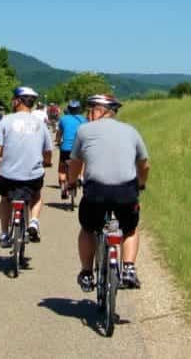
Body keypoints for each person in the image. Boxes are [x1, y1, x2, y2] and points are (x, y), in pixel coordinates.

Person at [65, 93, 150, 290]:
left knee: (87, 228)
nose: (88, 114)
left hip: (96, 192)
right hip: (126, 192)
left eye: (91, 109)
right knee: (130, 228)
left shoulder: (83, 130)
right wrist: (141, 183)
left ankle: (86, 272)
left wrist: (71, 182)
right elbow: (144, 165)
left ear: (101, 111)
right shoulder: (131, 131)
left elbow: (76, 163)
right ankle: (128, 267)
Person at [0, 85, 53, 247]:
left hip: (7, 176)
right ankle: (34, 222)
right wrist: (46, 162)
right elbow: (48, 151)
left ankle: (4, 233)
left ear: (17, 101)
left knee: (5, 199)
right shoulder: (40, 124)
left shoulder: (6, 120)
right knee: (36, 194)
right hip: (32, 177)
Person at [55, 99, 85, 197]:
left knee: (62, 167)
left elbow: (59, 134)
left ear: (68, 108)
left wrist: (58, 141)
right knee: (82, 162)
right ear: (79, 109)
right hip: (79, 148)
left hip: (66, 148)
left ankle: (63, 185)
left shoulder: (63, 119)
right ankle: (80, 176)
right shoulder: (84, 120)